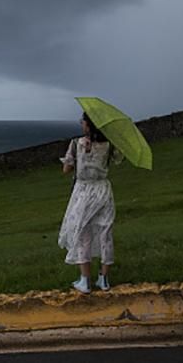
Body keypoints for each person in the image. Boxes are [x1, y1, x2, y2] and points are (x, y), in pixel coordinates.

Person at [58, 112, 123, 294]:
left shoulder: (75, 144)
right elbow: (117, 159)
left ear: (88, 125)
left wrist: (79, 157)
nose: (82, 124)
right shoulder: (109, 145)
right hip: (103, 189)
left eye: (83, 121)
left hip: (83, 191)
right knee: (105, 233)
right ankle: (104, 280)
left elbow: (66, 169)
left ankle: (85, 280)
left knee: (82, 233)